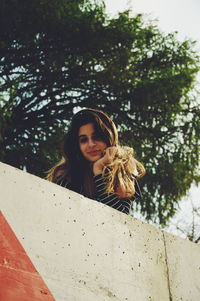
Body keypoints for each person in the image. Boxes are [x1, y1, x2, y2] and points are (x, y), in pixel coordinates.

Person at [47, 108, 145, 215]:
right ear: (77, 146)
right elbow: (59, 213)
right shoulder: (66, 174)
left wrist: (98, 170)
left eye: (97, 137)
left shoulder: (123, 172)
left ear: (109, 138)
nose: (91, 144)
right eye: (83, 140)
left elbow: (120, 217)